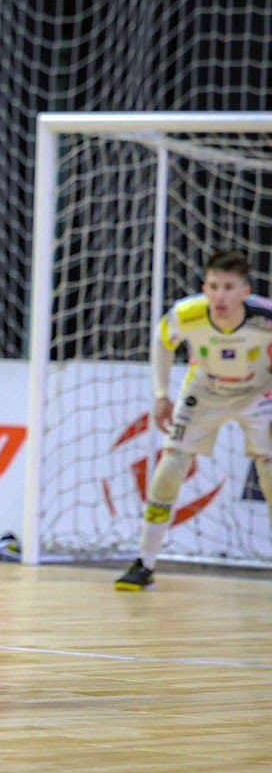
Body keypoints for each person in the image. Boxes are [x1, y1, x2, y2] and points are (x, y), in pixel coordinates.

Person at [115, 250, 272, 590]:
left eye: (229, 287)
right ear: (205, 287)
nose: (220, 296)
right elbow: (161, 342)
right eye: (213, 286)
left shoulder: (265, 317)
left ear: (245, 291)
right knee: (169, 470)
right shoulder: (187, 315)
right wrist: (160, 394)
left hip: (258, 392)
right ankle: (145, 564)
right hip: (205, 391)